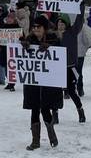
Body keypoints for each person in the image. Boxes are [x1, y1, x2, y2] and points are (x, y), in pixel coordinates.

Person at [22, 16, 62, 150]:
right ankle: (35, 141)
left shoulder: (54, 39)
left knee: (45, 110)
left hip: (47, 84)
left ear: (44, 28)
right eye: (33, 27)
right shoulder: (29, 40)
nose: (35, 29)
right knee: (34, 110)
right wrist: (24, 47)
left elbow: (60, 56)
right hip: (33, 83)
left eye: (38, 27)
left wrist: (50, 47)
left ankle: (52, 136)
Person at [56, 6, 86, 124]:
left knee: (72, 91)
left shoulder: (72, 32)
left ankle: (80, 110)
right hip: (57, 68)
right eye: (59, 23)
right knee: (56, 91)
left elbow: (79, 20)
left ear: (67, 24)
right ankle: (55, 114)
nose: (60, 25)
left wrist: (81, 7)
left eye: (63, 23)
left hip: (70, 67)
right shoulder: (53, 35)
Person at [0, 10, 20, 91]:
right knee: (5, 67)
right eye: (8, 17)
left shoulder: (17, 28)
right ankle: (9, 82)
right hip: (4, 50)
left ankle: (12, 83)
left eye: (11, 18)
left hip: (13, 51)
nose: (9, 19)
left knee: (11, 67)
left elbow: (21, 38)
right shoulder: (3, 27)